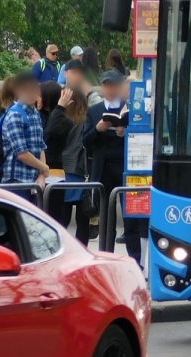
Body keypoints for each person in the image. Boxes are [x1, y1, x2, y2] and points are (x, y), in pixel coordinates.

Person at [84, 70, 143, 263]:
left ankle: (135, 262)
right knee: (107, 220)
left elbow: (143, 139)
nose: (110, 89)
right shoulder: (94, 111)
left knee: (131, 220)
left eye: (113, 85)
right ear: (101, 88)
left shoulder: (131, 110)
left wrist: (126, 132)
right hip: (103, 169)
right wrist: (97, 130)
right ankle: (106, 260)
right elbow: (85, 142)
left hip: (127, 169)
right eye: (106, 85)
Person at [45, 85, 93, 244]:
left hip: (65, 171)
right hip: (82, 171)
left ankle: (60, 247)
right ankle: (82, 251)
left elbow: (50, 131)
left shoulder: (65, 120)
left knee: (62, 216)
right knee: (82, 219)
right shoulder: (87, 119)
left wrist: (59, 107)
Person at [0, 72, 49, 185]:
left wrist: (41, 176)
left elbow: (41, 146)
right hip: (17, 179)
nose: (30, 93)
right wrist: (44, 168)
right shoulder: (15, 114)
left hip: (35, 180)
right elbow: (21, 153)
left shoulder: (36, 113)